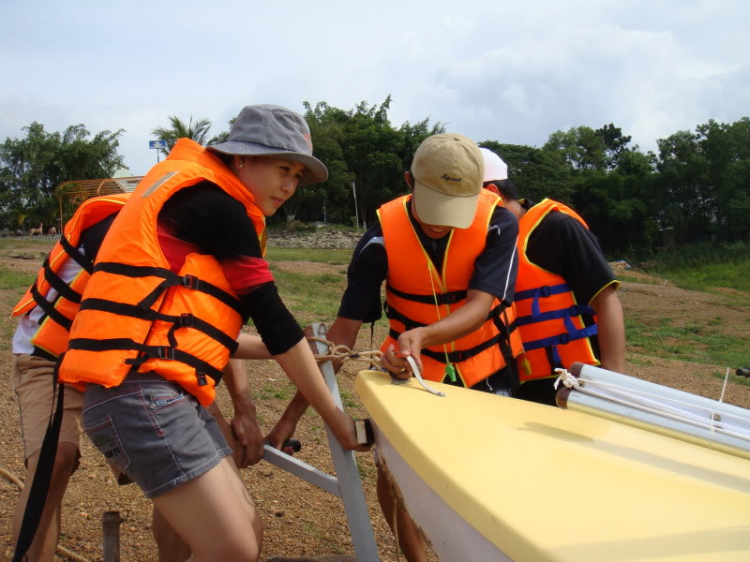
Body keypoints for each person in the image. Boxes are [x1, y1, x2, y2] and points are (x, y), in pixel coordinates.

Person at [57, 104, 366, 562]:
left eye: (297, 175)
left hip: (162, 389)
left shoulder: (210, 201)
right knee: (232, 546)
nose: (289, 185)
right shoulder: (216, 206)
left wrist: (287, 357)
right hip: (135, 391)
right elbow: (274, 319)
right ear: (241, 158)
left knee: (244, 528)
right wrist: (335, 419)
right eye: (283, 168)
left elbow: (194, 326)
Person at [267, 133, 524, 562]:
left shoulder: (500, 223)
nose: (441, 221)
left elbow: (481, 305)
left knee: (489, 480)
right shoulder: (380, 239)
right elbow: (342, 337)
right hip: (408, 372)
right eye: (433, 204)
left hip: (489, 368)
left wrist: (422, 335)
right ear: (409, 182)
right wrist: (290, 418)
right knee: (396, 477)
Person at [9, 193, 264, 562]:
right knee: (55, 461)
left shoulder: (204, 244)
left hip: (128, 358)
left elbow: (211, 326)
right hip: (52, 353)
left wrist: (243, 408)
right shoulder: (131, 235)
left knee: (185, 452)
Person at [480, 148, 625, 406]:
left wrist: (612, 383)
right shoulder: (485, 243)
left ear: (492, 194)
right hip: (518, 388)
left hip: (576, 382)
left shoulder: (558, 228)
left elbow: (606, 299)